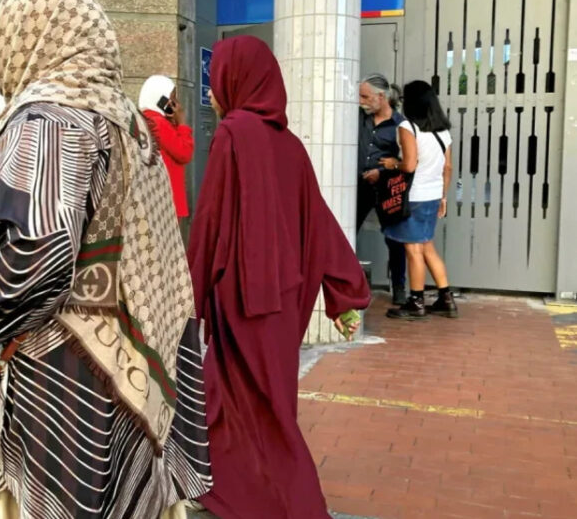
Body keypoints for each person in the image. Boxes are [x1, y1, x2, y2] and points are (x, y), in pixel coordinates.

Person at [0, 0, 211, 517]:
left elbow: (40, 256)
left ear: (35, 35)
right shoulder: (125, 121)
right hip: (125, 377)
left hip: (63, 379)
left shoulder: (53, 120)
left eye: (2, 35)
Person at [188, 36, 371, 519]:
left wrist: (190, 299)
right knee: (267, 404)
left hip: (241, 299)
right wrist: (344, 294)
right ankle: (242, 492)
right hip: (284, 303)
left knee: (235, 401)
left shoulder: (231, 133)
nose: (210, 91)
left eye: (214, 80)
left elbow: (210, 221)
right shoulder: (289, 145)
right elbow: (321, 222)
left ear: (237, 80)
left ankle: (296, 503)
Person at [382, 80, 458, 320]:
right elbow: (448, 167)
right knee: (426, 246)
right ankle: (446, 299)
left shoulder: (408, 127)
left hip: (413, 197)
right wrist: (443, 197)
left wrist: (392, 163)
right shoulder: (442, 131)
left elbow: (409, 164)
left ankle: (416, 302)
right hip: (433, 195)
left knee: (413, 250)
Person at [358, 74, 408, 305]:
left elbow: (405, 160)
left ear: (381, 97)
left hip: (386, 187)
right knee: (346, 232)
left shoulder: (400, 125)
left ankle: (398, 286)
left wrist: (382, 172)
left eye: (365, 97)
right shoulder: (360, 118)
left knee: (394, 238)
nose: (361, 101)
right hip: (359, 187)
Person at [138, 75, 194, 229]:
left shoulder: (145, 119)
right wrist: (182, 122)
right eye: (172, 98)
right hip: (168, 200)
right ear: (159, 99)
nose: (175, 104)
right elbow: (184, 153)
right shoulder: (159, 123)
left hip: (154, 198)